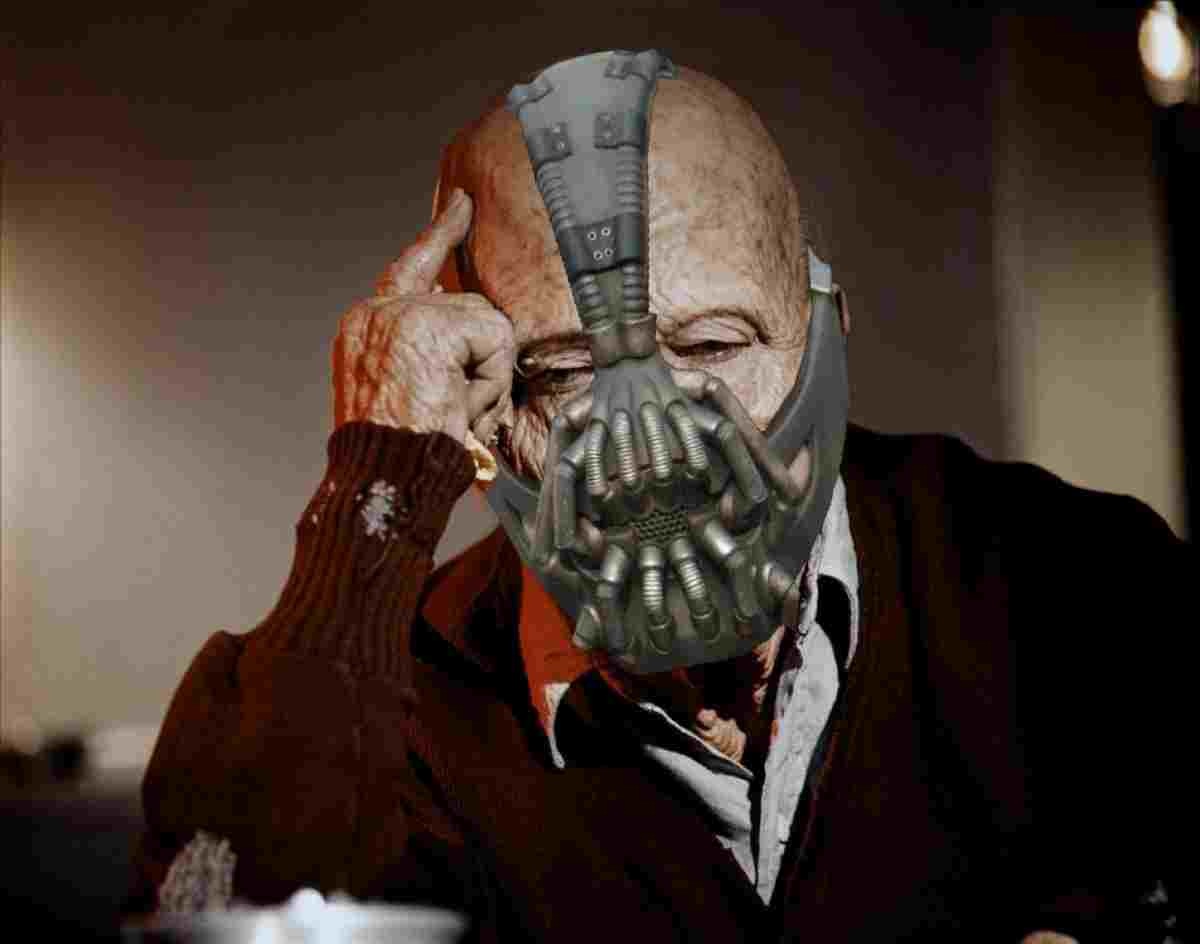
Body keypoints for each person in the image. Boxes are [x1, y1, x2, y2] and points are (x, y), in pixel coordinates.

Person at [129, 65, 1191, 942]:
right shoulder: (403, 709)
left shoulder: (1065, 582)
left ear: (825, 331)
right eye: (564, 373)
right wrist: (382, 478)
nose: (653, 458)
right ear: (487, 403)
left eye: (714, 346)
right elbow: (226, 913)